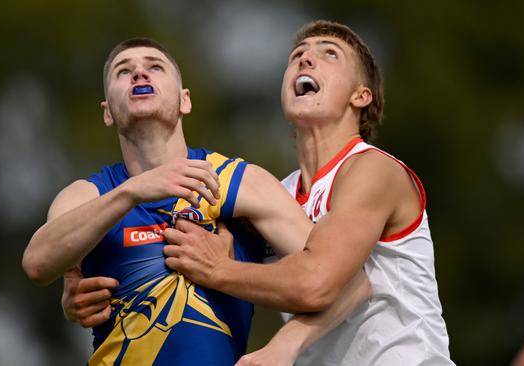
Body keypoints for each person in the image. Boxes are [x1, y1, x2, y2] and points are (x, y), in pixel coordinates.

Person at [22, 37, 370, 366]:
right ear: (108, 112)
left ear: (184, 100)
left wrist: (283, 346)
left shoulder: (236, 181)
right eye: (123, 71)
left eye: (155, 67)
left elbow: (350, 285)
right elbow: (38, 263)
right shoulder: (89, 195)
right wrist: (133, 191)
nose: (139, 73)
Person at [162, 20, 454, 365]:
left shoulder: (374, 170)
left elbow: (316, 282)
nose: (305, 60)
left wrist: (219, 271)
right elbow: (170, 236)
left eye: (329, 54)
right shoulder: (276, 195)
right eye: (297, 55)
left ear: (360, 95)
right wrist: (86, 277)